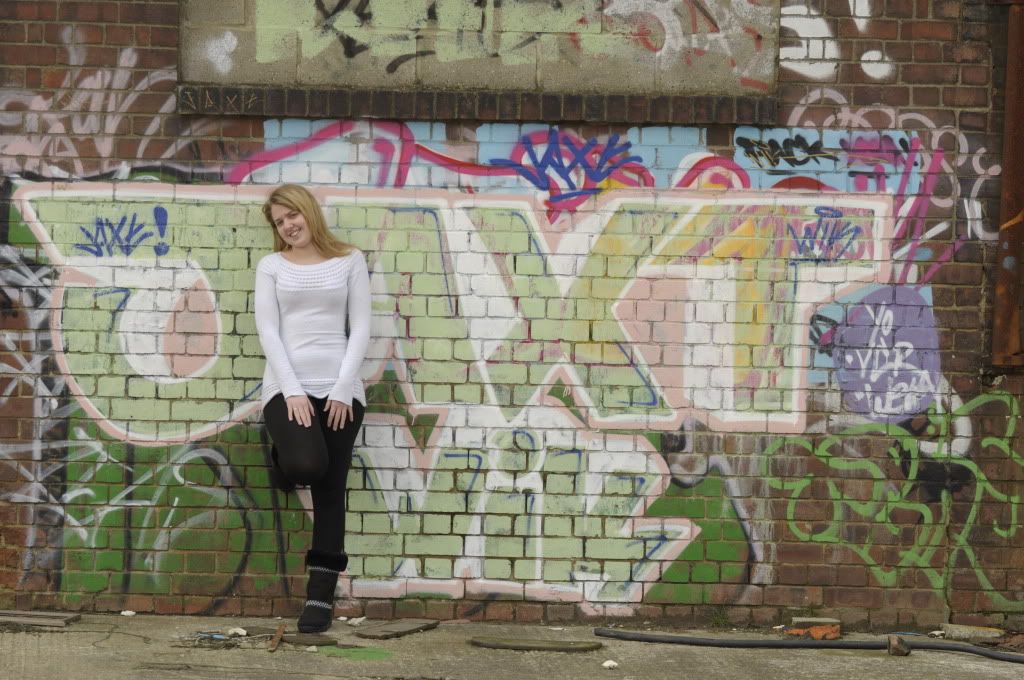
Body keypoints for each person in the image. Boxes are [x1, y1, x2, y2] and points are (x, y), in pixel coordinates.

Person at [254, 184, 371, 633]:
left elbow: (361, 326)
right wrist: (293, 390)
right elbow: (268, 330)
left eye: (293, 215)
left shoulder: (349, 260)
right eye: (279, 221)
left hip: (340, 387)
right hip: (286, 386)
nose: (288, 225)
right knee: (305, 463)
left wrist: (343, 388)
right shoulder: (271, 266)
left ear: (309, 212)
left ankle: (320, 596)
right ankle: (282, 457)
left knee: (330, 487)